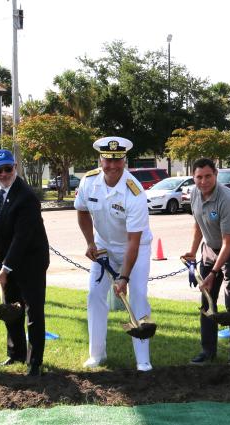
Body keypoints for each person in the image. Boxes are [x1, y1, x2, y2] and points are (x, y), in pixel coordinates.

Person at [75, 136, 153, 372]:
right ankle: (97, 355)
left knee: (138, 297)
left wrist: (124, 277)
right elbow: (81, 211)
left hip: (135, 250)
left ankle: (143, 360)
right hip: (103, 248)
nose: (111, 166)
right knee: (94, 296)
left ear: (124, 161)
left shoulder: (135, 191)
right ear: (100, 159)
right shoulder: (89, 182)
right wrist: (90, 242)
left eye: (117, 161)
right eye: (107, 160)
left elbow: (133, 240)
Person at [0, 149, 50, 376]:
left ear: (15, 168)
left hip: (31, 260)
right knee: (11, 308)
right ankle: (16, 354)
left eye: (8, 169)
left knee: (33, 310)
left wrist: (6, 268)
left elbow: (23, 238)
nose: (4, 174)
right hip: (6, 259)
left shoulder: (27, 197)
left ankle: (35, 362)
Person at [180, 157, 230, 366]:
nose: (203, 181)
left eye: (208, 176)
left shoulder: (227, 199)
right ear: (193, 178)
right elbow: (197, 224)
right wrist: (193, 252)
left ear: (216, 175)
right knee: (207, 299)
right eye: (199, 177)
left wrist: (213, 273)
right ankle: (208, 351)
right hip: (210, 248)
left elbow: (228, 243)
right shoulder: (194, 193)